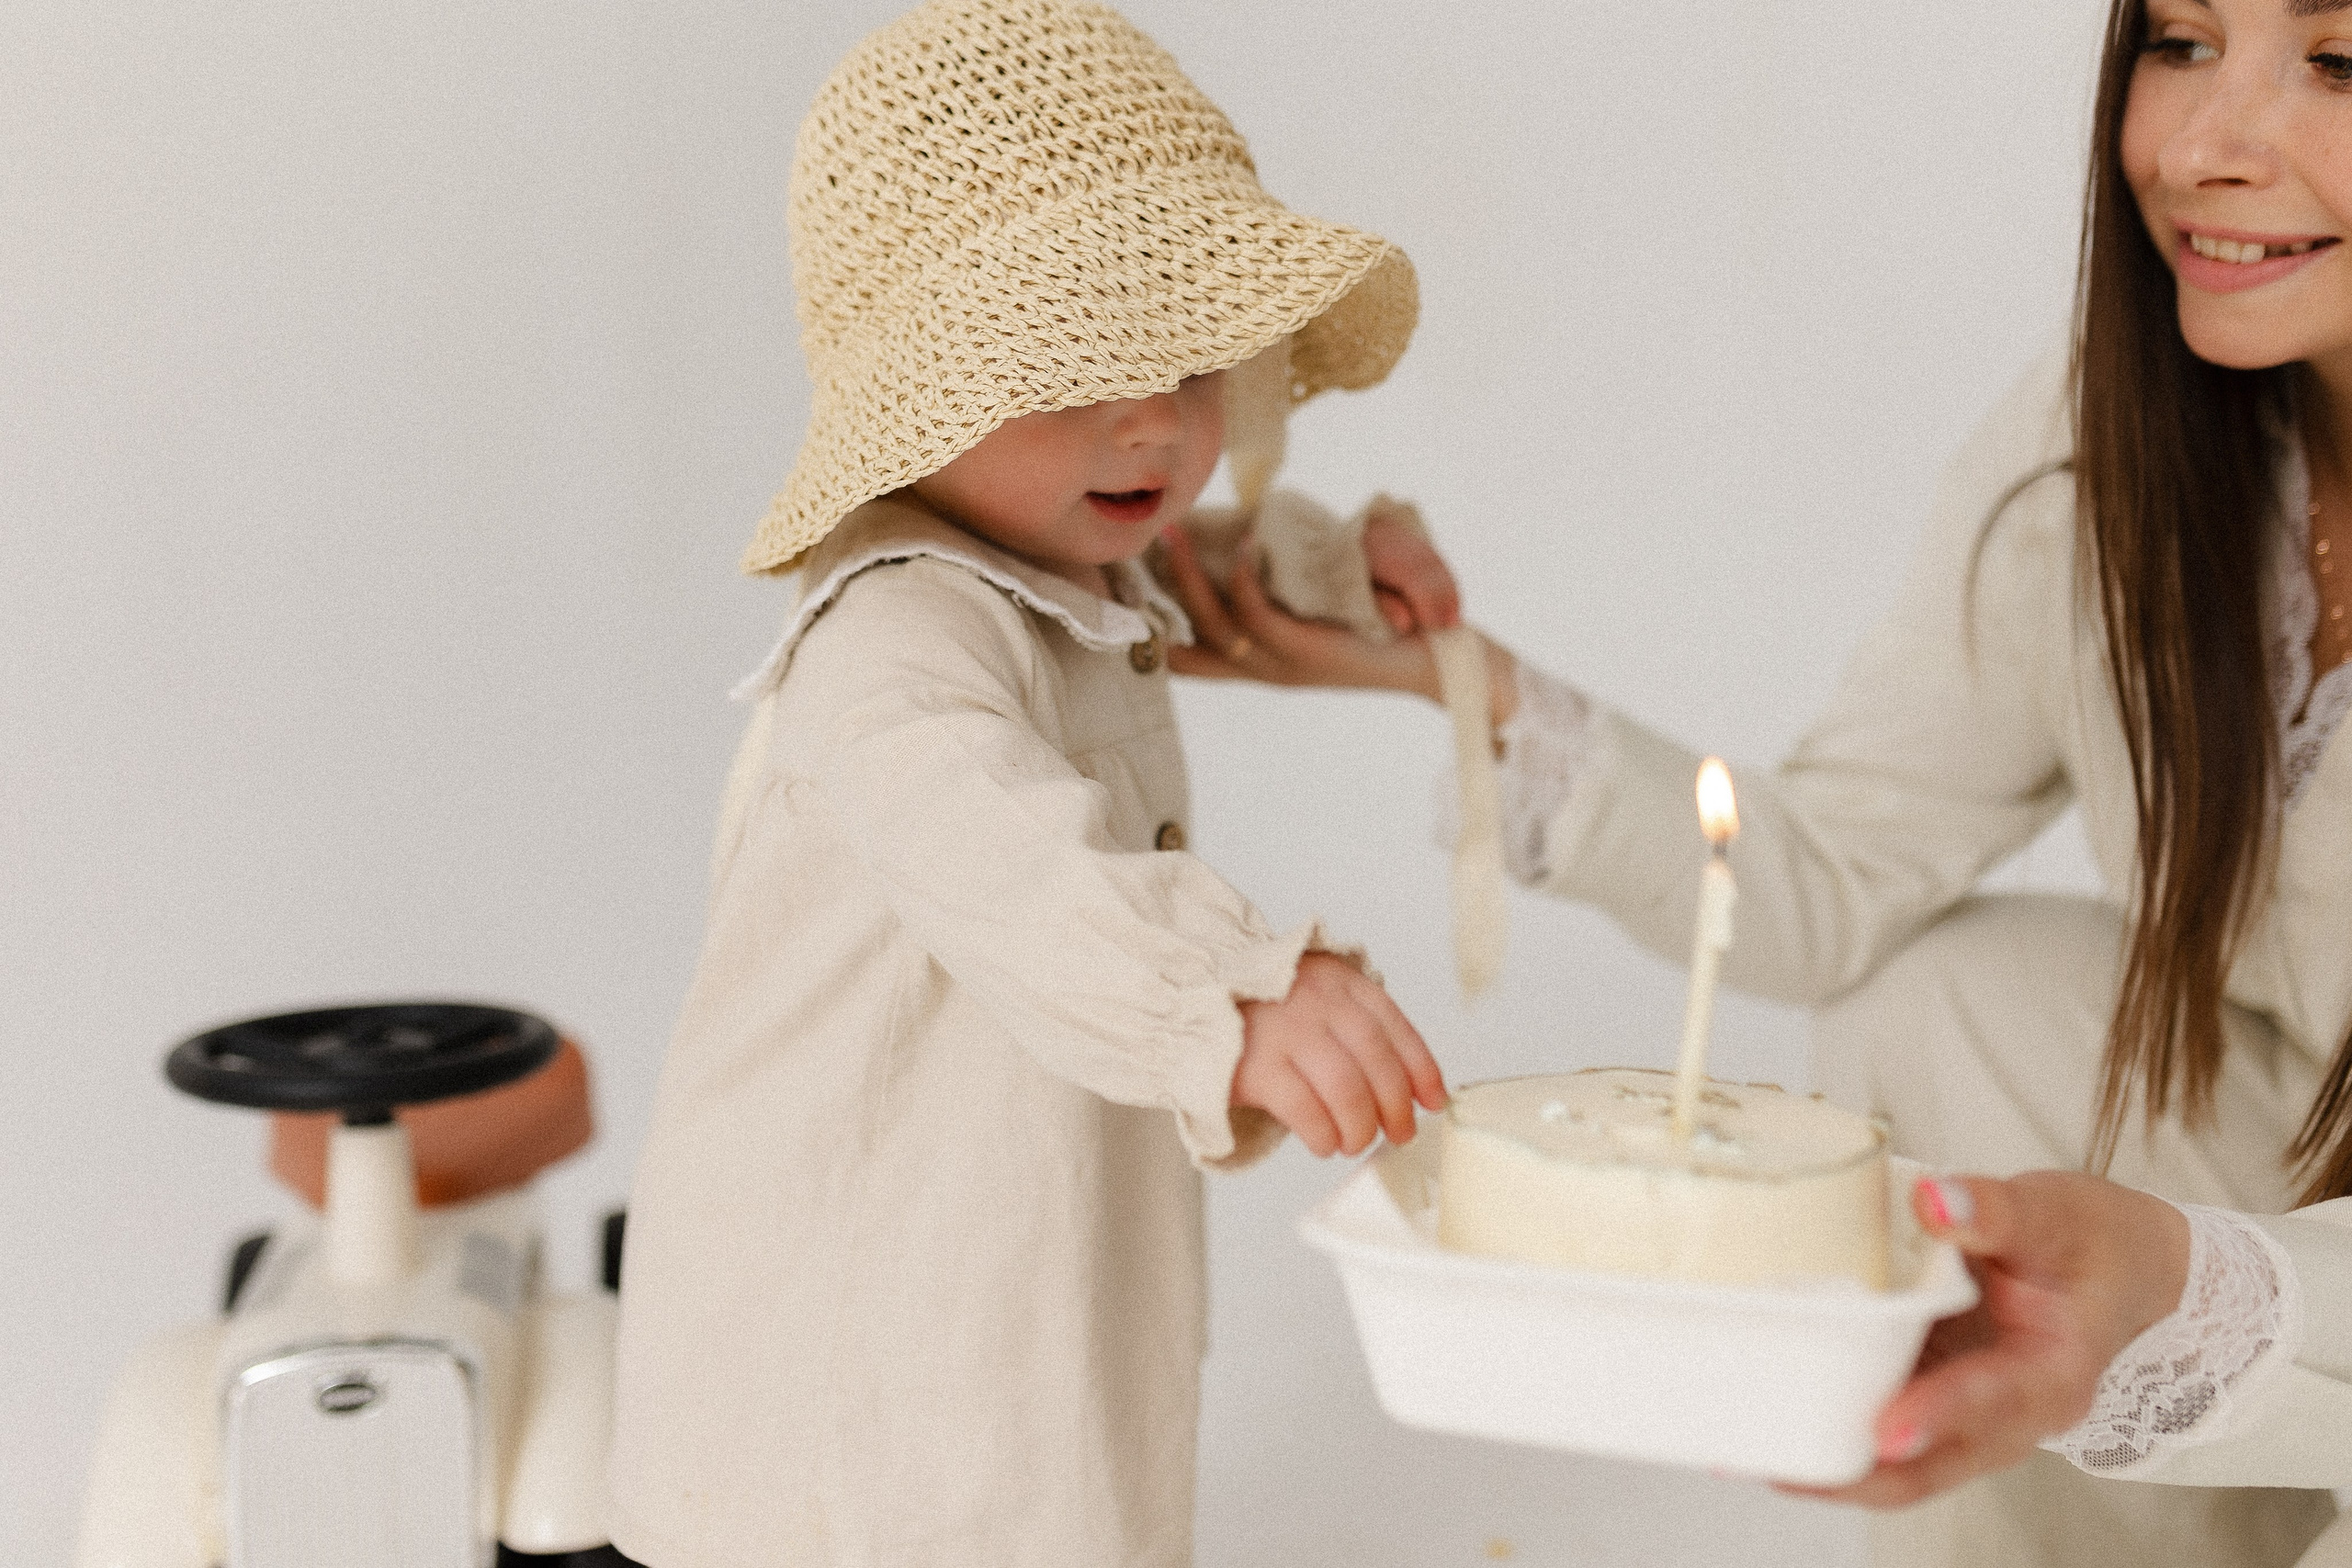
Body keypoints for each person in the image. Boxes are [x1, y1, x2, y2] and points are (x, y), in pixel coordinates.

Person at [1163, 0, 2352, 1562]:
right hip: (2301, 1167)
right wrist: (1455, 679)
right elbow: (1834, 873)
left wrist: (2195, 1294)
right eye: (2180, 41)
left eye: (2339, 60)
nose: (2201, 147)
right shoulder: (2113, 455)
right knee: (1942, 990)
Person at [603, 4, 1455, 1564]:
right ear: (919, 393)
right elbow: (1006, 859)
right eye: (1075, 364)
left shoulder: (1063, 531)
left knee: (1057, 1456)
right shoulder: (893, 644)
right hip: (847, 1363)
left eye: (1196, 358)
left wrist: (1345, 565)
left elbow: (1208, 557)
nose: (1155, 421)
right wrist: (1235, 994)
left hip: (1001, 1275)